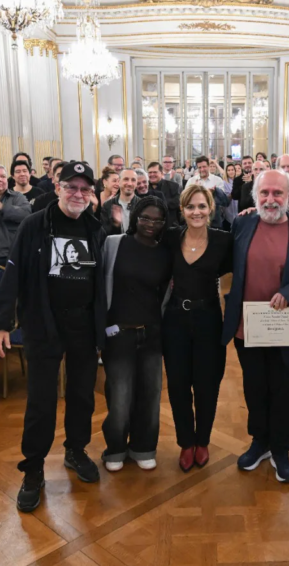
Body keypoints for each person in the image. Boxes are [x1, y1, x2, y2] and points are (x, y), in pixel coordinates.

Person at [0, 161, 106, 510]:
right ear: (57, 187)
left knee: (82, 394)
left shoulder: (95, 228)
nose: (78, 194)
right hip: (43, 322)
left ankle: (76, 449)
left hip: (84, 325)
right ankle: (34, 468)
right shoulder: (33, 225)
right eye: (72, 187)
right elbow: (12, 275)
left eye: (85, 190)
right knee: (40, 401)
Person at [223, 170, 289, 483]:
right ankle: (260, 442)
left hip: (287, 328)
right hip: (248, 327)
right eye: (264, 193)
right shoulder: (242, 224)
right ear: (255, 197)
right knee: (254, 388)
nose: (270, 199)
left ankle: (280, 448)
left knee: (282, 390)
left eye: (277, 194)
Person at [161, 185, 232, 471]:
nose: (197, 212)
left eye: (202, 206)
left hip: (209, 320)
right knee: (178, 385)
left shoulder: (223, 241)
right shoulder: (169, 238)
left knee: (207, 384)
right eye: (191, 207)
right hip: (175, 319)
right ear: (182, 210)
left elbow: (242, 267)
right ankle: (185, 443)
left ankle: (202, 441)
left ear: (211, 209)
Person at [100, 197, 172, 472]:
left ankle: (143, 446)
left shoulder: (164, 252)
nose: (150, 225)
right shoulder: (114, 244)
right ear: (135, 218)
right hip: (118, 333)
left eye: (157, 220)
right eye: (145, 218)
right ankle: (115, 448)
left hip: (152, 333)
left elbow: (166, 294)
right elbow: (100, 288)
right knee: (119, 396)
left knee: (150, 395)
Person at [102, 168, 140, 235]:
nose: (129, 183)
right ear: (119, 182)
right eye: (126, 179)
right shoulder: (108, 205)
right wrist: (116, 225)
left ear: (136, 183)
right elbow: (103, 234)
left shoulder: (142, 205)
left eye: (133, 180)